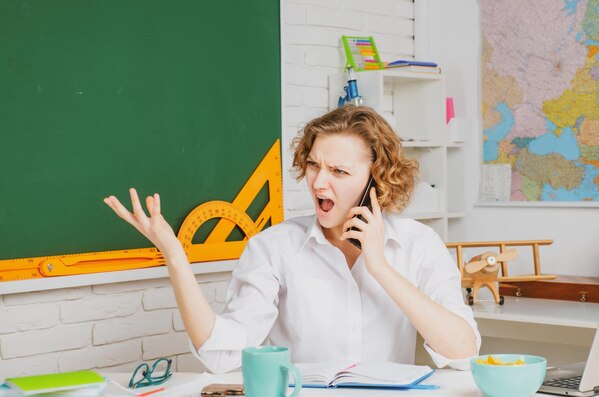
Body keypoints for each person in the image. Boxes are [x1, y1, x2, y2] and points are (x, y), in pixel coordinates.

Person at [104, 105, 480, 374]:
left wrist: (379, 267)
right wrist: (174, 255)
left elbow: (463, 351)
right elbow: (222, 355)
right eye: (314, 164)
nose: (318, 182)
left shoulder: (419, 244)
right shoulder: (274, 247)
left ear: (376, 181)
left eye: (338, 170)